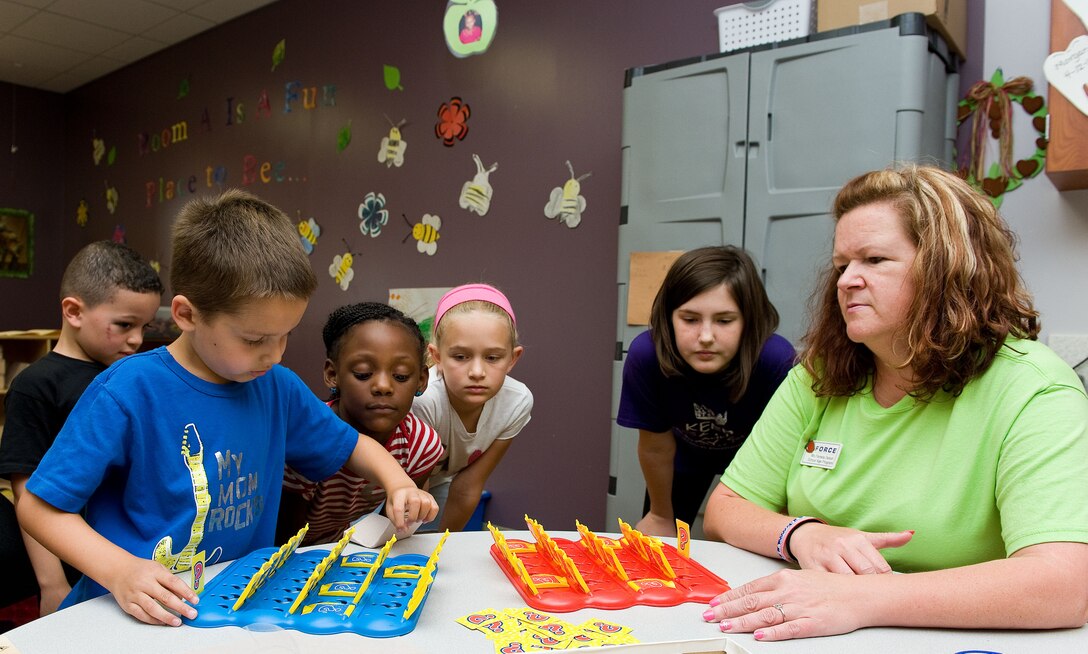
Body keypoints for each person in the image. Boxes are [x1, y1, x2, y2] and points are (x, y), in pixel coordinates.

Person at [16, 189, 437, 627]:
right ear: (186, 314)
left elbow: (352, 445)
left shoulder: (278, 387)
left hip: (226, 608)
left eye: (286, 335)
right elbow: (39, 508)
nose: (274, 355)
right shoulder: (127, 391)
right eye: (254, 340)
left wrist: (397, 481)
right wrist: (119, 570)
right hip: (126, 613)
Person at [702, 164, 1088, 641]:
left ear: (948, 267)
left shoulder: (1033, 388)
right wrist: (800, 533)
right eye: (843, 265)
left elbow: (1062, 585)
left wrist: (858, 599)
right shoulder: (818, 376)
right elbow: (725, 509)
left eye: (875, 260)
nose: (846, 281)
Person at [0, 241, 162, 618]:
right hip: (70, 563)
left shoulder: (128, 376)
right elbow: (28, 492)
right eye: (124, 325)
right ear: (74, 312)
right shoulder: (37, 385)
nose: (137, 339)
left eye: (144, 326)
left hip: (128, 557)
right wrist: (51, 583)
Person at [617, 246, 795, 537]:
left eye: (724, 321)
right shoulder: (647, 356)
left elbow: (785, 464)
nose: (706, 337)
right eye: (690, 319)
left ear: (748, 321)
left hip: (757, 463)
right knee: (661, 539)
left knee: (748, 543)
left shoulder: (777, 362)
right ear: (669, 317)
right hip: (683, 459)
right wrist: (660, 515)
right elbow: (655, 447)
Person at [278, 302, 444, 546]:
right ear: (332, 375)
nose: (383, 386)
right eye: (364, 373)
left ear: (421, 380)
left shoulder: (421, 444)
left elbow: (394, 526)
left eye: (400, 376)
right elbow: (284, 538)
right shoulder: (309, 439)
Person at [413, 283, 532, 532]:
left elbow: (469, 484)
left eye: (492, 357)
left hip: (438, 483)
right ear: (437, 356)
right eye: (460, 357)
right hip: (382, 490)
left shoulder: (516, 402)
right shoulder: (425, 399)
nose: (477, 372)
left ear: (513, 358)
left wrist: (446, 544)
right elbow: (412, 489)